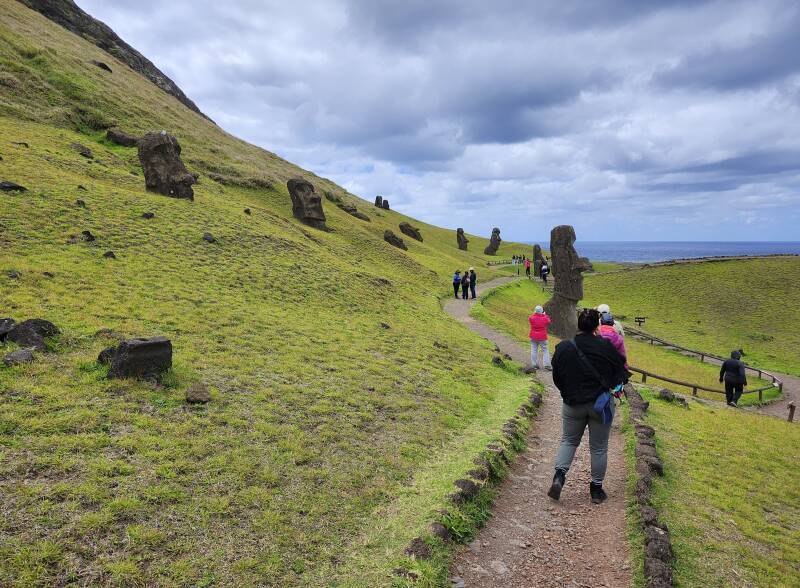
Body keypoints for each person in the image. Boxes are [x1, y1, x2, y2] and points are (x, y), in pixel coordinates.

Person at [548, 308, 626, 504]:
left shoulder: (564, 348)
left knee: (568, 441)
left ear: (579, 325)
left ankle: (559, 477)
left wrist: (566, 392)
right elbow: (621, 373)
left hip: (573, 403)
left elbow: (556, 375)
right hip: (600, 405)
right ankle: (596, 490)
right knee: (599, 448)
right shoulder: (606, 347)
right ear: (596, 326)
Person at [528, 305, 551, 370]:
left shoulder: (531, 318)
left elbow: (531, 317)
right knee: (545, 350)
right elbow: (548, 321)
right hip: (542, 337)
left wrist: (539, 314)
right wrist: (544, 315)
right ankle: (547, 365)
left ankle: (534, 364)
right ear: (542, 311)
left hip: (533, 336)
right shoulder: (545, 318)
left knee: (533, 349)